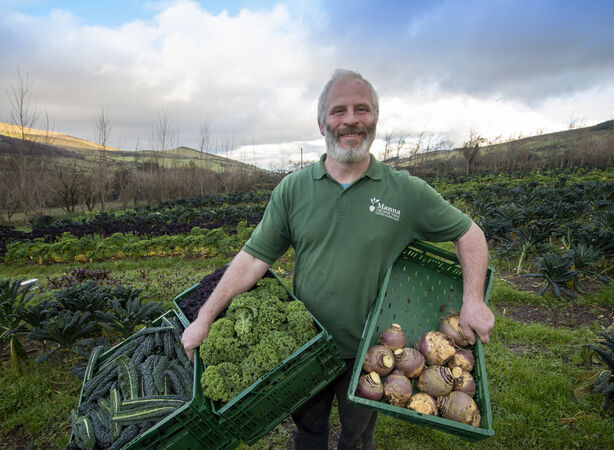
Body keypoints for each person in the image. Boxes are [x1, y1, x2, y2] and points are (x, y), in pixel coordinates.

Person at [182, 69, 495, 449]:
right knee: (309, 431)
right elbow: (252, 258)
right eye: (338, 110)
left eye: (361, 109)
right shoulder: (293, 190)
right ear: (321, 123)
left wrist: (473, 300)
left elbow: (470, 234)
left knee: (357, 435)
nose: (350, 120)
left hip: (370, 353)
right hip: (305, 349)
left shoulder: (405, 191)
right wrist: (204, 318)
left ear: (374, 119)